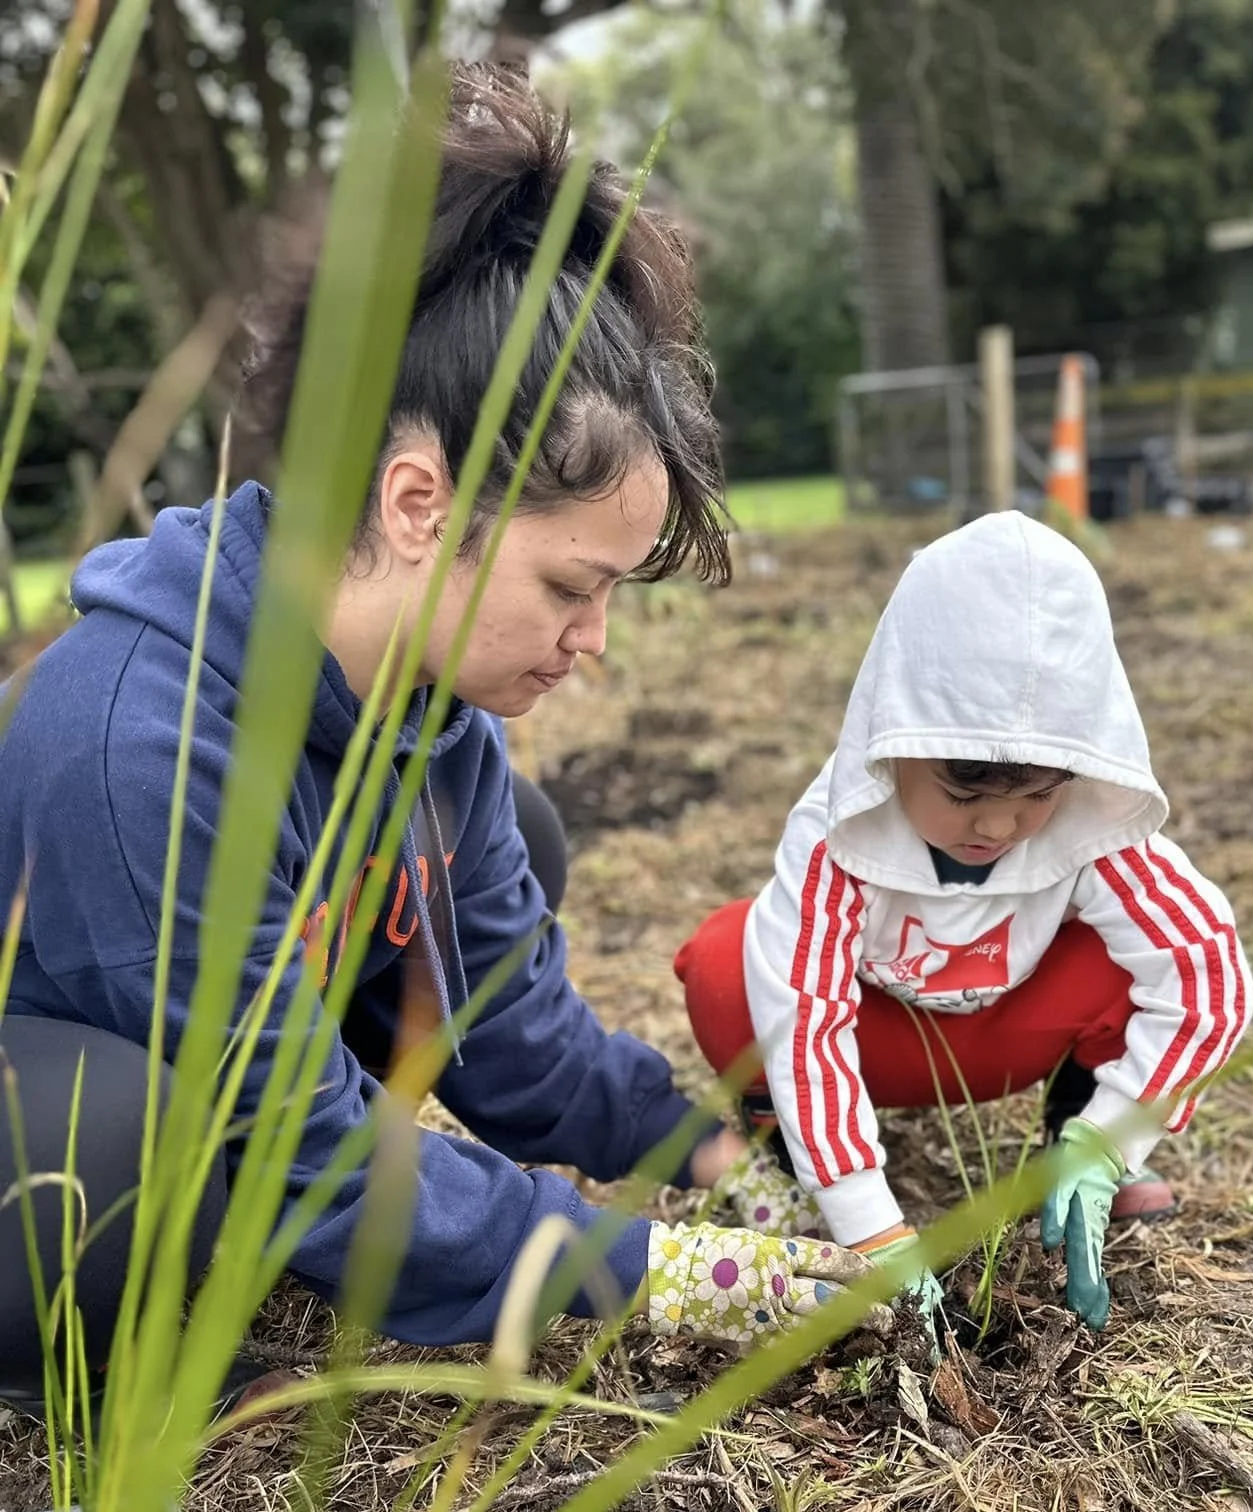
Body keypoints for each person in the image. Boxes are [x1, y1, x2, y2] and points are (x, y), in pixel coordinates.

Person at [0, 64, 882, 1416]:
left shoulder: (427, 714)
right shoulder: (141, 744)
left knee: (512, 839)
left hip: (233, 1081)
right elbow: (322, 1165)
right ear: (420, 501)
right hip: (56, 1125)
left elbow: (505, 1028)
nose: (593, 641)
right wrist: (671, 1275)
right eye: (571, 587)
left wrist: (713, 1154)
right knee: (107, 1146)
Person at [675, 512, 1253, 1341]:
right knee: (732, 963)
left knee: (1131, 952)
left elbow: (1207, 972)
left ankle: (1072, 1143)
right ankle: (799, 1169)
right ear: (895, 737)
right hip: (885, 1042)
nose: (999, 829)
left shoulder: (1092, 829)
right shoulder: (838, 838)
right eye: (964, 795)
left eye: (1037, 799)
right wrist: (870, 1225)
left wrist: (1114, 1138)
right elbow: (805, 1026)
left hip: (1012, 1033)